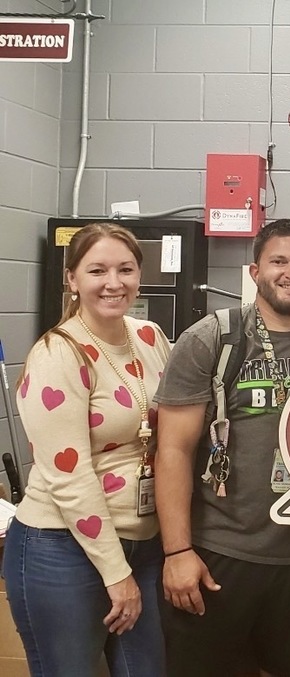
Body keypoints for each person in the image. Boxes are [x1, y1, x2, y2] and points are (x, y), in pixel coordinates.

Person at [153, 219, 290, 676]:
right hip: (221, 555)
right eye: (279, 261)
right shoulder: (212, 339)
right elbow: (172, 450)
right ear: (254, 272)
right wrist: (177, 552)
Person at [3, 223, 171, 675]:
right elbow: (68, 475)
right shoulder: (58, 353)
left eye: (126, 269)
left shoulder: (150, 337)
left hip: (142, 541)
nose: (114, 283)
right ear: (72, 279)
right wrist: (117, 575)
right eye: (97, 270)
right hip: (62, 546)